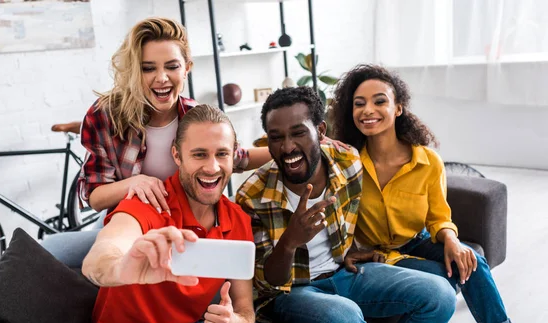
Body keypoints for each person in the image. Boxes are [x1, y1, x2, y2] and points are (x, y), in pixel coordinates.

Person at [82, 104, 339, 323]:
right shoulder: (148, 204)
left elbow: (245, 312)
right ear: (177, 156)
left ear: (233, 157)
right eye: (199, 154)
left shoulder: (237, 220)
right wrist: (119, 268)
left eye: (221, 154)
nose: (212, 167)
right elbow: (100, 255)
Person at [42, 17, 343, 267]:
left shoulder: (195, 115)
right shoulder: (106, 115)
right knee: (49, 254)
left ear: (186, 67)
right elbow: (94, 196)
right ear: (135, 70)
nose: (161, 78)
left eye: (171, 66)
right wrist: (136, 183)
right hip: (132, 222)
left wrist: (295, 146)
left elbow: (236, 158)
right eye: (148, 68)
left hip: (183, 225)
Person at [236, 86, 456, 323]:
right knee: (346, 318)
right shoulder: (252, 196)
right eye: (275, 136)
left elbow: (351, 214)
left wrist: (351, 248)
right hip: (292, 293)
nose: (287, 147)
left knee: (440, 295)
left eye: (298, 133)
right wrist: (289, 242)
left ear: (320, 131)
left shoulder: (348, 162)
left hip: (343, 274)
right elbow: (268, 284)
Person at [331, 64, 515, 323]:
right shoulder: (346, 161)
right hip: (378, 257)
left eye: (379, 101)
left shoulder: (427, 160)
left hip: (417, 242)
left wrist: (452, 240)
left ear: (398, 107)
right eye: (359, 103)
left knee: (471, 262)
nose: (368, 110)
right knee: (441, 280)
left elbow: (438, 217)